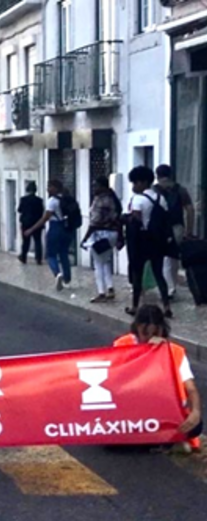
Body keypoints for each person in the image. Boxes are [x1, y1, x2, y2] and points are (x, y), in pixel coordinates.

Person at [114, 305, 202, 453]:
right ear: (137, 328)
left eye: (155, 332)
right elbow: (117, 383)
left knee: (195, 426)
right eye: (145, 333)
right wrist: (147, 355)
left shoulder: (174, 351)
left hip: (165, 412)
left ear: (162, 329)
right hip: (135, 412)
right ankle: (163, 441)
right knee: (114, 440)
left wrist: (196, 412)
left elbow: (190, 388)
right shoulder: (123, 346)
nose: (149, 338)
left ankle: (158, 440)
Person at [126, 166, 174, 318]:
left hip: (140, 240)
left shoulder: (138, 199)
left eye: (135, 183)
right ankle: (166, 305)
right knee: (159, 273)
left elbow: (135, 219)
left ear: (143, 182)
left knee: (137, 273)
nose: (134, 186)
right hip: (157, 240)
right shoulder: (161, 198)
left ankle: (135, 306)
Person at [155, 165, 196, 299]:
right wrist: (189, 230)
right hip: (177, 226)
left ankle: (168, 288)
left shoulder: (154, 190)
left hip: (160, 227)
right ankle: (172, 286)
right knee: (173, 257)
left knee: (163, 257)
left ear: (157, 174)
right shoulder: (180, 190)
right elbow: (190, 210)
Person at [25, 179, 72, 291]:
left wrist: (31, 229)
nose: (47, 189)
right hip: (66, 229)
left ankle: (57, 274)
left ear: (55, 188)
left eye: (49, 186)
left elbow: (45, 218)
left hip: (55, 227)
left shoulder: (52, 201)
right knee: (64, 253)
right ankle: (67, 277)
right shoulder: (66, 198)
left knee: (50, 255)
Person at [81, 176, 122, 303]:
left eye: (96, 185)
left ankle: (101, 292)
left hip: (100, 235)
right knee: (106, 262)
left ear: (103, 186)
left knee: (98, 264)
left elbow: (94, 222)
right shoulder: (113, 198)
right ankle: (110, 288)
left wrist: (85, 238)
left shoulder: (100, 200)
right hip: (112, 234)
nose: (94, 188)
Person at [18, 181, 45, 265]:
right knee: (38, 241)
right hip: (37, 223)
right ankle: (38, 258)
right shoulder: (39, 200)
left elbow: (19, 210)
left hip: (26, 223)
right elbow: (42, 211)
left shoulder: (23, 199)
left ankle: (23, 257)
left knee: (26, 241)